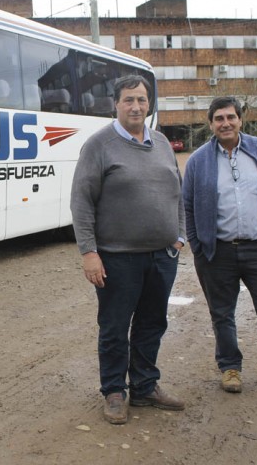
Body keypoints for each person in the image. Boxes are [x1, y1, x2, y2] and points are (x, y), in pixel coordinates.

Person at [70, 75, 186, 425]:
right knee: (115, 327)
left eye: (141, 99)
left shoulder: (162, 142)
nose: (136, 106)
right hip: (117, 259)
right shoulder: (99, 145)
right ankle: (114, 392)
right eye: (128, 100)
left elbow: (177, 193)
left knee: (152, 324)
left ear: (149, 104)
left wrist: (179, 236)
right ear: (115, 104)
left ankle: (146, 387)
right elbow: (81, 202)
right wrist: (89, 252)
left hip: (162, 256)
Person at [183, 96, 257, 396]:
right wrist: (198, 245)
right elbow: (187, 206)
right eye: (219, 118)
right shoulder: (198, 161)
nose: (225, 123)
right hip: (217, 252)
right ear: (210, 124)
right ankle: (230, 368)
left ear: (240, 120)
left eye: (230, 117)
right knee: (222, 314)